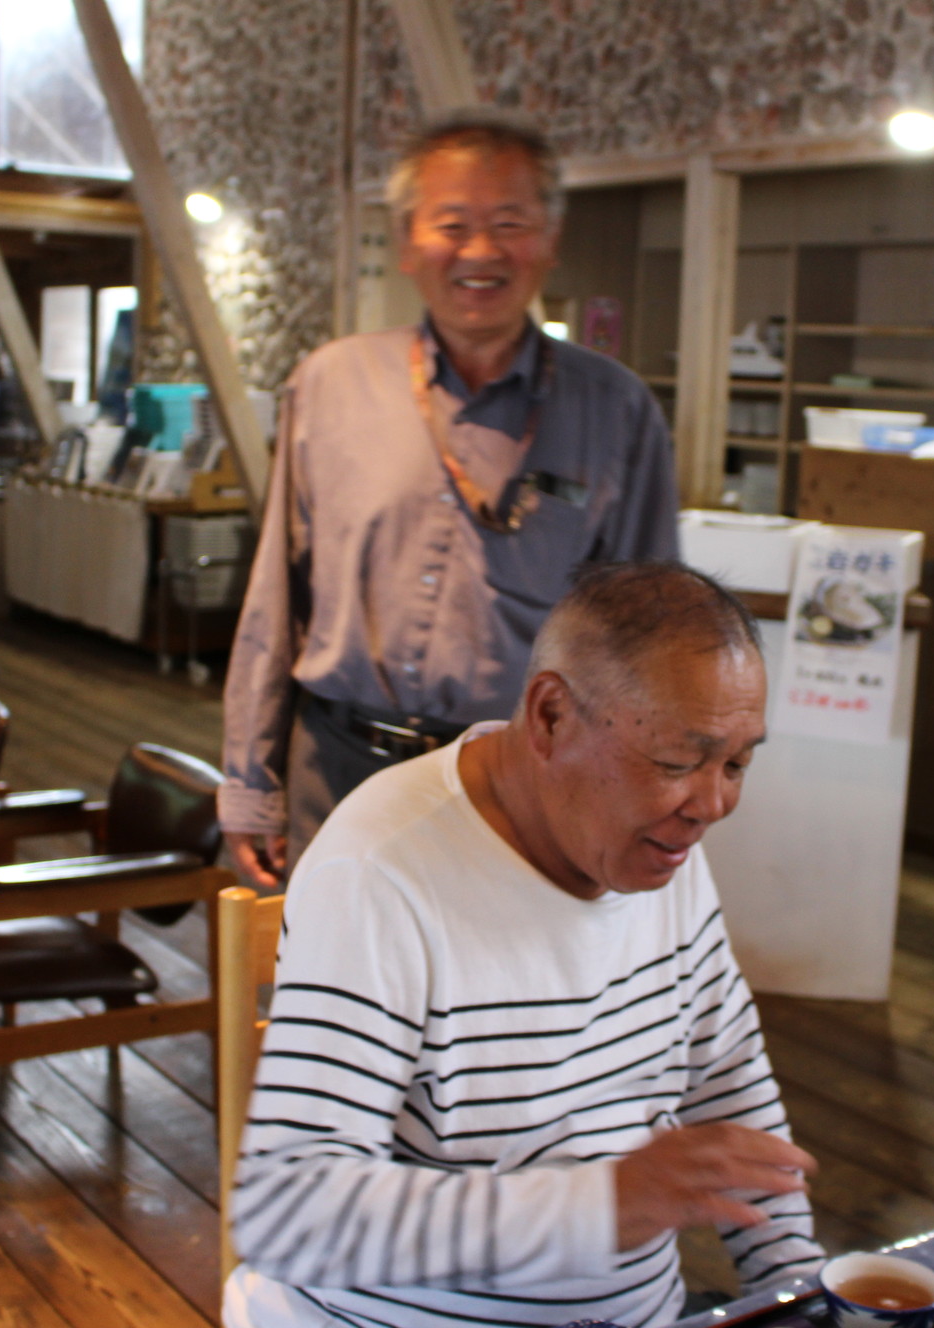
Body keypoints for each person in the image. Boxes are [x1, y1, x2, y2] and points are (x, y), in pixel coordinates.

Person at [223, 562, 824, 1328]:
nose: (712, 804)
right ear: (550, 716)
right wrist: (593, 1207)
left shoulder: (659, 846)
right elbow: (296, 1211)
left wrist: (800, 1293)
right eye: (678, 763)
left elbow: (728, 1083)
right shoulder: (380, 873)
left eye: (737, 763)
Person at [220, 108, 681, 888]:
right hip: (335, 772)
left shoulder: (617, 410)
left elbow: (648, 641)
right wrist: (248, 780)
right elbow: (275, 599)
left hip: (521, 786)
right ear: (408, 243)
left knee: (506, 971)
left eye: (510, 223)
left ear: (550, 240)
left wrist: (639, 803)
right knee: (325, 968)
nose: (481, 251)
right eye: (452, 224)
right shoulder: (330, 383)